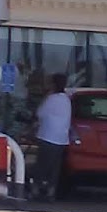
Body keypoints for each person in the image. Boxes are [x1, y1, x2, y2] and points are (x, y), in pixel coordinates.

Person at [31, 73, 72, 201]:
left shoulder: (51, 99)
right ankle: (51, 192)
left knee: (42, 164)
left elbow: (40, 113)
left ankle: (36, 189)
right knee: (55, 167)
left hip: (47, 136)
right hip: (61, 139)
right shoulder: (66, 99)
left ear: (53, 84)